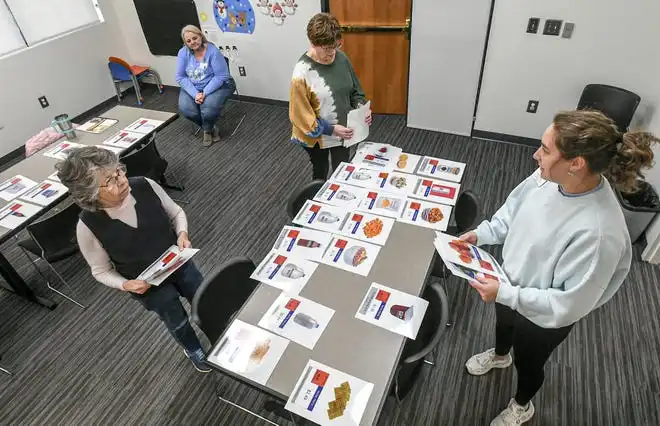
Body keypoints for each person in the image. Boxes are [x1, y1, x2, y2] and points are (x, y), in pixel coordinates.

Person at [461, 109, 658, 425]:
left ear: (576, 163)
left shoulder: (599, 233)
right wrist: (481, 234)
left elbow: (566, 306)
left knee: (529, 362)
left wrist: (508, 294)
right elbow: (511, 212)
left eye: (546, 149)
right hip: (509, 284)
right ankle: (500, 356)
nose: (536, 154)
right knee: (504, 328)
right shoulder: (547, 177)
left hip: (544, 317)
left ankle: (522, 405)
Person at [56, 146, 210, 373]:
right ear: (89, 194)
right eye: (109, 179)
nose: (121, 180)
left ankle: (218, 330)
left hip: (178, 262)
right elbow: (100, 271)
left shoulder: (145, 185)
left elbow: (176, 212)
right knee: (177, 321)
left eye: (119, 170)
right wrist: (125, 284)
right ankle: (193, 348)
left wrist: (182, 233)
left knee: (203, 299)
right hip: (148, 284)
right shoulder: (87, 226)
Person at [289, 12, 372, 180]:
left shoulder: (341, 58)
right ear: (313, 43)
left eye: (335, 46)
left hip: (344, 132)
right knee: (321, 170)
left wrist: (361, 108)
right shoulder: (302, 73)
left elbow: (355, 90)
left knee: (342, 169)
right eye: (327, 48)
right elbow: (300, 116)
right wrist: (332, 129)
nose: (332, 52)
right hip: (318, 137)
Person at [176, 24, 236, 147]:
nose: (192, 42)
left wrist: (204, 93)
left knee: (208, 110)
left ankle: (207, 130)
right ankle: (210, 127)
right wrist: (195, 94)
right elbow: (180, 77)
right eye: (188, 41)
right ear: (185, 43)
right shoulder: (183, 53)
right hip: (194, 87)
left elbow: (221, 76)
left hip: (218, 85)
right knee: (187, 110)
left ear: (201, 36)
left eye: (195, 38)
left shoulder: (212, 51)